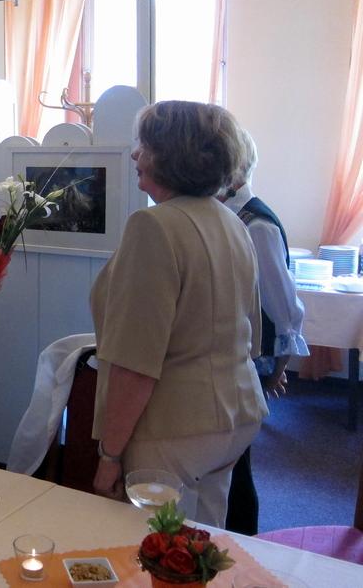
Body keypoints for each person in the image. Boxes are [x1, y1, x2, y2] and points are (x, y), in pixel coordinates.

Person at [90, 100, 269, 527]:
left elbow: (136, 361)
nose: (135, 155)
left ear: (170, 155)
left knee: (149, 545)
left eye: (144, 145)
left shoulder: (153, 226)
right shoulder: (232, 222)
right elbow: (252, 333)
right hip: (236, 416)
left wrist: (109, 455)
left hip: (174, 426)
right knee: (204, 540)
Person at [218, 129, 309, 535]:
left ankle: (244, 544)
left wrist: (276, 368)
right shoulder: (227, 217)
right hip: (235, 354)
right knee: (229, 463)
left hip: (248, 357)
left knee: (237, 465)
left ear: (234, 170)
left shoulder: (257, 226)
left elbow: (285, 310)